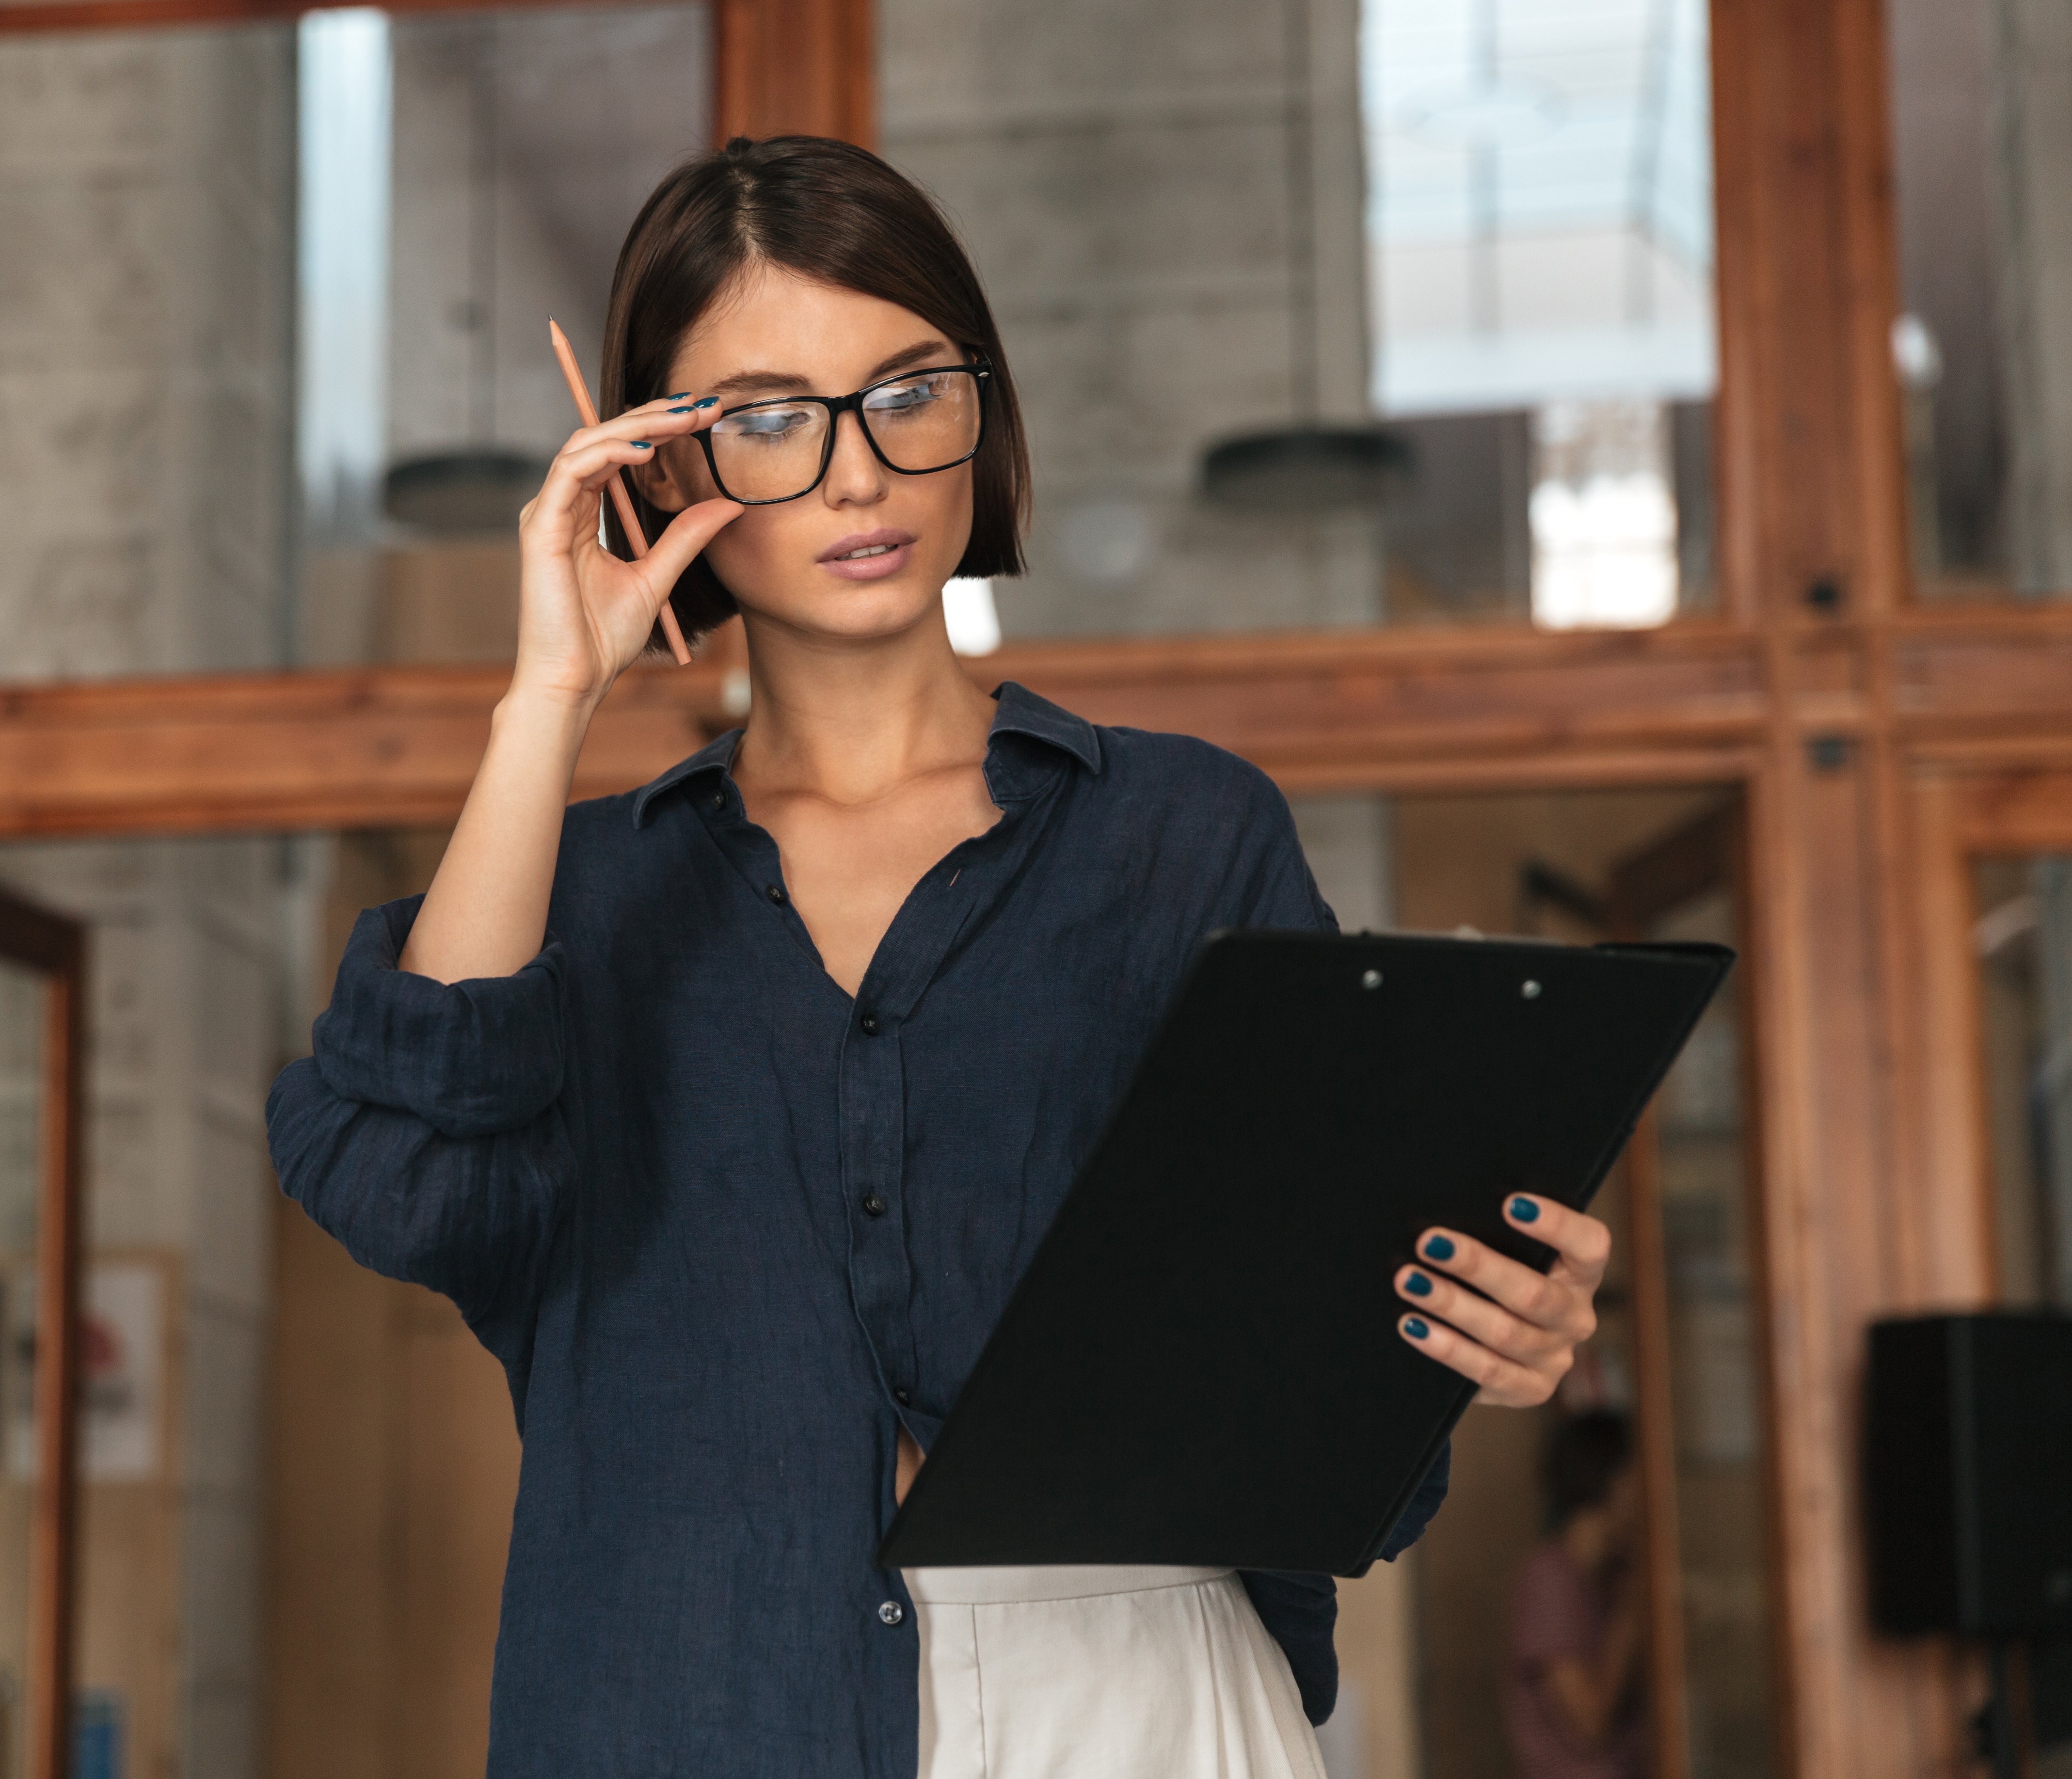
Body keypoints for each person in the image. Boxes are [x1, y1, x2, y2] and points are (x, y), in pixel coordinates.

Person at [264, 134, 1611, 1779]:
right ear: (656, 469)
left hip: (1130, 1691)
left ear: (983, 411)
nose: (856, 472)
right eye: (763, 420)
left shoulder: (1178, 836)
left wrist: (1475, 1335)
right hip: (692, 1703)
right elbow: (409, 1175)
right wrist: (550, 696)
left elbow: (1306, 1325)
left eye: (911, 390)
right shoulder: (584, 899)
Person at [1504, 1412, 1648, 1779]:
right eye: (1639, 1477)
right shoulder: (1549, 1581)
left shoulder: (1608, 1575)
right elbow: (1590, 1723)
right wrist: (1634, 1607)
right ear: (1611, 1481)